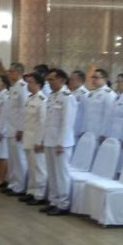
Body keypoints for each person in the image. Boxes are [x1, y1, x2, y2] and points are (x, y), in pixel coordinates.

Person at [41, 68, 76, 215]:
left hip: (61, 142)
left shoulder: (67, 97)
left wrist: (62, 142)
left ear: (61, 80)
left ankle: (63, 204)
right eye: (48, 80)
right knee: (52, 173)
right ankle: (53, 200)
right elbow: (47, 121)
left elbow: (67, 122)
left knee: (61, 174)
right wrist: (44, 139)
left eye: (52, 79)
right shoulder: (51, 96)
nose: (49, 82)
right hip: (50, 140)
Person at [19, 72, 48, 206]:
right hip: (28, 138)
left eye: (30, 82)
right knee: (31, 167)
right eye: (27, 82)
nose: (28, 85)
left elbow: (43, 123)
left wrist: (39, 141)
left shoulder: (42, 100)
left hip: (36, 139)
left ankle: (39, 194)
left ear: (38, 84)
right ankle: (31, 191)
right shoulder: (30, 98)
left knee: (39, 168)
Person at [3, 63, 30, 197]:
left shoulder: (23, 87)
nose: (9, 73)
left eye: (11, 71)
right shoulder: (13, 87)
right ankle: (13, 183)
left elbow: (24, 110)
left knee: (19, 159)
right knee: (13, 158)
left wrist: (21, 129)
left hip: (17, 129)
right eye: (9, 71)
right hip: (10, 127)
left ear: (19, 73)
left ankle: (20, 186)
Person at [86, 68, 115, 143]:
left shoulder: (109, 94)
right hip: (88, 130)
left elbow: (108, 116)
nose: (93, 80)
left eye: (96, 77)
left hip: (98, 132)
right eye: (93, 77)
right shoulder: (92, 93)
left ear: (104, 79)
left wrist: (104, 133)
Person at [68, 70, 88, 142]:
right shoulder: (71, 93)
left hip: (77, 129)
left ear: (79, 80)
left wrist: (83, 130)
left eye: (72, 79)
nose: (70, 82)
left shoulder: (85, 94)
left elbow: (86, 113)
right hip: (70, 127)